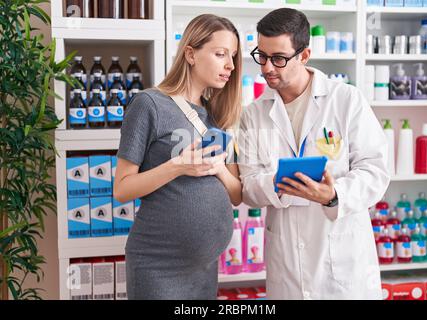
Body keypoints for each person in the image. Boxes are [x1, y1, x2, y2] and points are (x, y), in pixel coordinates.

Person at [237, 8, 390, 300]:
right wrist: (280, 185)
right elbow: (249, 186)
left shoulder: (345, 100)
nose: (268, 67)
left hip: (343, 265)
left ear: (304, 55)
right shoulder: (253, 114)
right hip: (287, 269)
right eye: (262, 56)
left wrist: (333, 195)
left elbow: (376, 170)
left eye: (279, 59)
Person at [113, 14, 243, 300]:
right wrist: (177, 166)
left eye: (232, 56)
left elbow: (236, 194)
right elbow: (122, 188)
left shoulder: (217, 116)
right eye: (220, 54)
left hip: (205, 269)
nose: (230, 66)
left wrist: (218, 168)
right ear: (190, 54)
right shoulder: (149, 104)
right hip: (159, 265)